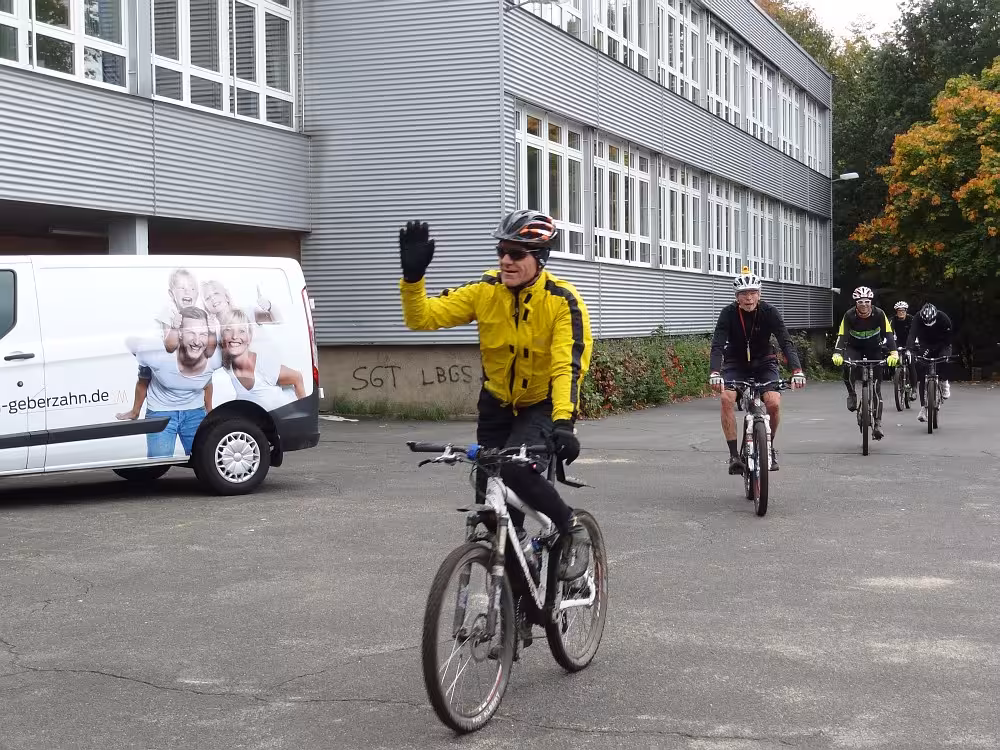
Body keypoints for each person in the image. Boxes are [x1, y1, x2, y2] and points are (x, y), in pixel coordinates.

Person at [397, 210, 593, 583]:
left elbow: (566, 367)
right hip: (496, 404)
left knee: (517, 471)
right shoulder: (485, 290)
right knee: (491, 504)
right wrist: (413, 279)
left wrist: (564, 422)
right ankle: (517, 578)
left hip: (541, 404)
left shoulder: (561, 301)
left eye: (516, 253)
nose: (506, 260)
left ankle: (571, 527)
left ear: (540, 258)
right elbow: (422, 318)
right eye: (501, 251)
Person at [709, 268, 806, 475]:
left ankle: (769, 448)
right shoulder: (728, 313)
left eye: (753, 293)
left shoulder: (769, 312)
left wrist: (797, 370)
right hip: (735, 363)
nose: (749, 298)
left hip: (765, 362)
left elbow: (785, 342)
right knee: (726, 398)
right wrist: (715, 373)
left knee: (773, 402)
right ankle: (734, 456)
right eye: (744, 294)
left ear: (759, 294)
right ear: (737, 297)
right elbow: (717, 345)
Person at [126, 306, 222, 458]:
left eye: (202, 333)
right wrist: (135, 411)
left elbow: (206, 381)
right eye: (191, 333)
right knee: (159, 461)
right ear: (180, 334)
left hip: (195, 412)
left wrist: (209, 411)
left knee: (205, 458)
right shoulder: (156, 356)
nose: (197, 341)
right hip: (161, 412)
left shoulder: (215, 359)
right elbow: (142, 378)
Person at [831, 287, 899, 441]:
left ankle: (878, 424)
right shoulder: (849, 315)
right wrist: (837, 353)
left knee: (876, 388)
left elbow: (888, 335)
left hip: (874, 348)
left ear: (871, 302)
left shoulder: (879, 313)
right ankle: (852, 394)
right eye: (860, 302)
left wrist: (893, 353)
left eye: (867, 301)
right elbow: (842, 335)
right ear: (856, 303)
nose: (864, 304)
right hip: (854, 348)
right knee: (848, 366)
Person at [219, 309, 306, 410]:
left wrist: (304, 413)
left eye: (241, 331)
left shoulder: (263, 365)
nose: (234, 336)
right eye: (228, 330)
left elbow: (297, 377)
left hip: (289, 416)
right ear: (222, 337)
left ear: (249, 337)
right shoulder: (227, 372)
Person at [907, 302, 954, 422]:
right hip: (926, 345)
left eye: (931, 322)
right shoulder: (917, 318)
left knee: (944, 360)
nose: (929, 324)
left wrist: (945, 352)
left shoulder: (943, 318)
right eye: (926, 322)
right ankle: (923, 408)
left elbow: (949, 338)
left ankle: (944, 382)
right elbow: (912, 334)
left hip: (942, 344)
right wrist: (909, 350)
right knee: (922, 370)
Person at [892, 301, 918, 401]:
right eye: (899, 311)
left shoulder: (911, 319)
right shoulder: (893, 320)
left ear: (906, 311)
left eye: (903, 311)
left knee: (911, 363)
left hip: (910, 343)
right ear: (896, 312)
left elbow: (914, 333)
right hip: (898, 343)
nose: (901, 313)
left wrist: (913, 345)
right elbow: (890, 333)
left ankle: (914, 389)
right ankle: (897, 378)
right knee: (893, 360)